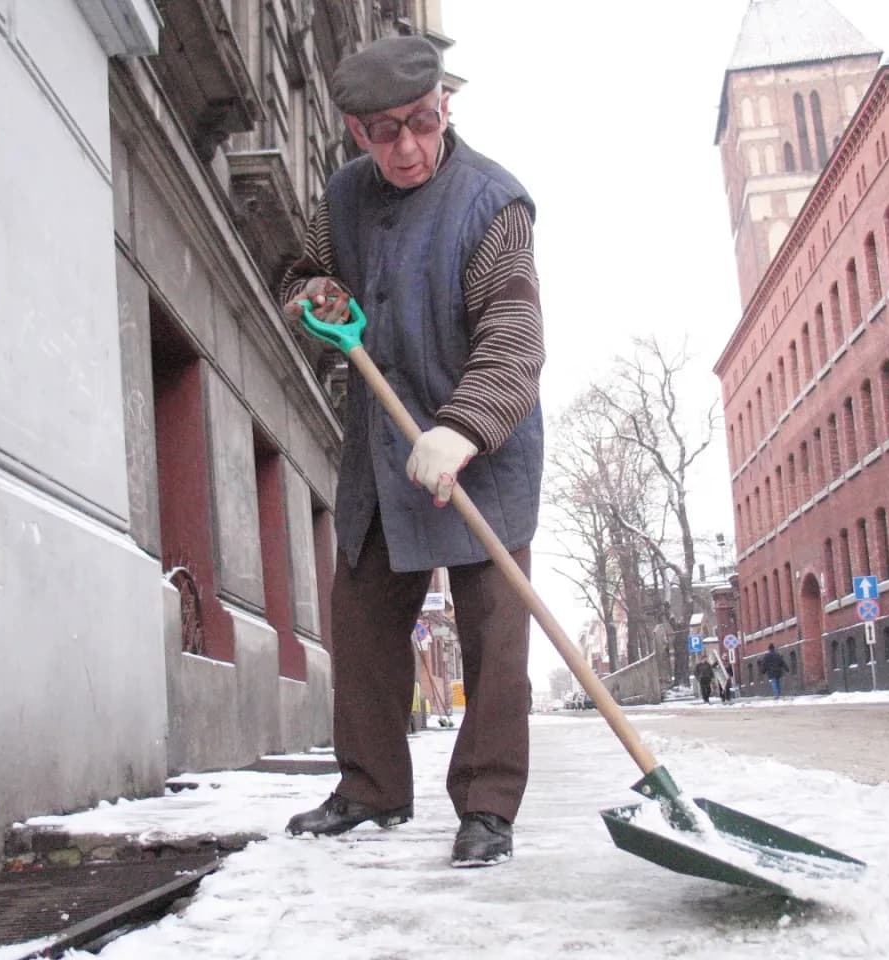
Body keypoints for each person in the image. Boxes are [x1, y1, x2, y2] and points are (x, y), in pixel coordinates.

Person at [281, 35, 544, 869]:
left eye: (422, 124)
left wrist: (462, 428)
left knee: (496, 640)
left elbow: (513, 336)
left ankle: (489, 807)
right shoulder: (343, 197)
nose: (406, 148)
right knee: (361, 621)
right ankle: (370, 787)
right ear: (355, 132)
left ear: (444, 108)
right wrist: (312, 295)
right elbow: (301, 269)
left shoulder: (492, 203)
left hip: (483, 451)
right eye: (383, 132)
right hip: (380, 453)